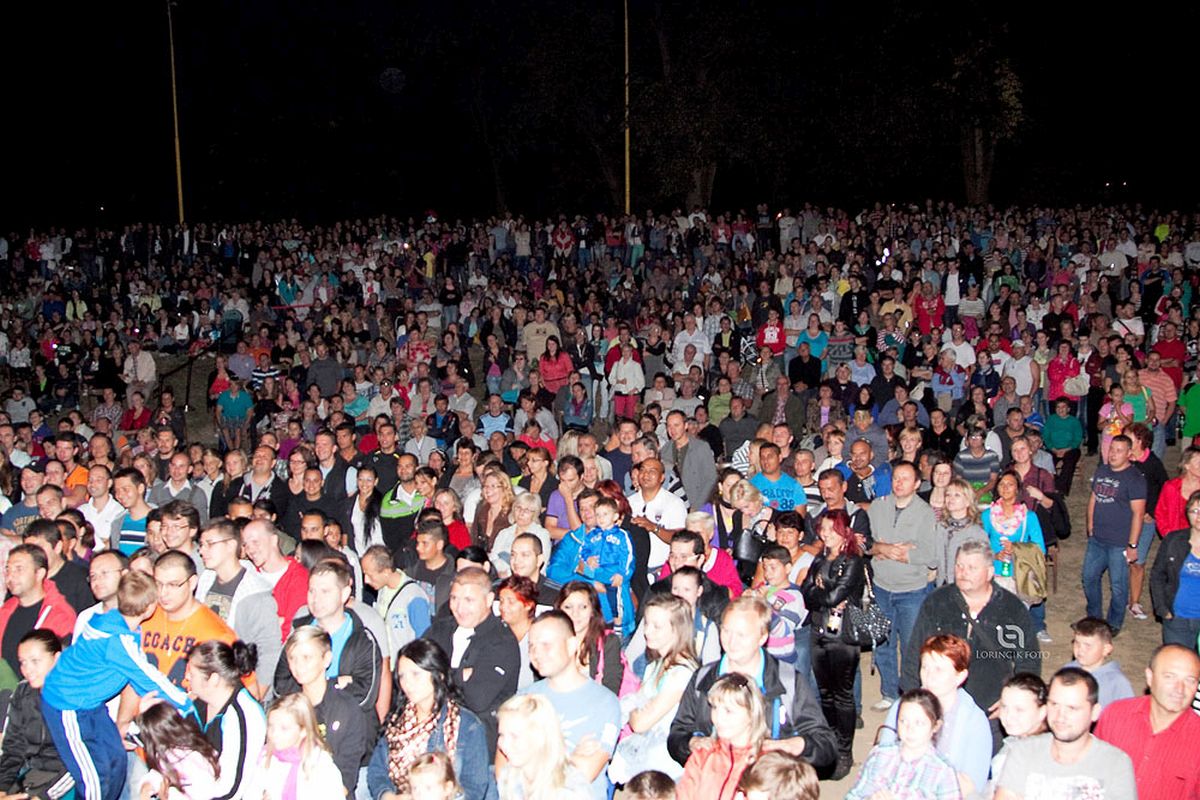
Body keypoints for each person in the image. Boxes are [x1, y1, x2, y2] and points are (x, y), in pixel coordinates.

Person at [41, 571, 196, 800]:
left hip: (89, 704)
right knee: (93, 778)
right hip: (67, 706)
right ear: (149, 608)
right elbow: (147, 676)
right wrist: (185, 703)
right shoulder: (116, 640)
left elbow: (136, 674)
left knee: (116, 758)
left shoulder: (114, 621)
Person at [668, 595, 838, 777]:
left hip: (769, 781)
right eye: (726, 631)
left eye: (741, 635)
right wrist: (691, 743)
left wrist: (789, 746)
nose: (731, 642)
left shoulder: (787, 681)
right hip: (715, 780)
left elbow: (825, 745)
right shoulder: (704, 679)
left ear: (763, 636)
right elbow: (677, 734)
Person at [903, 541, 1040, 717]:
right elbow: (915, 652)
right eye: (959, 566)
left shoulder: (1011, 608)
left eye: (972, 568)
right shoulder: (937, 602)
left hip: (990, 708)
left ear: (989, 572)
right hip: (939, 705)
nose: (963, 572)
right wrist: (914, 697)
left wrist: (1013, 700)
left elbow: (1029, 660)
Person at [367, 638, 491, 800]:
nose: (407, 683)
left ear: (439, 675)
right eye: (402, 676)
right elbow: (377, 771)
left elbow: (474, 789)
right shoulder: (397, 723)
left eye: (415, 674)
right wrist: (389, 796)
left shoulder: (467, 726)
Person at [518, 611, 621, 800]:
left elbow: (585, 772)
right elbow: (504, 768)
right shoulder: (524, 698)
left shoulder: (605, 703)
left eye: (546, 645)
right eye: (531, 646)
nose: (536, 653)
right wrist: (571, 759)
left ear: (571, 645)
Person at [994, 668, 1136, 800]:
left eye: (1072, 708)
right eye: (1054, 704)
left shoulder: (1115, 763)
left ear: (1094, 712)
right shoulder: (1022, 751)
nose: (1060, 716)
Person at [423, 567, 519, 756]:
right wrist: (462, 674)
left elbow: (477, 699)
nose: (459, 608)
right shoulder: (440, 630)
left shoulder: (502, 640)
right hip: (431, 737)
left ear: (489, 600)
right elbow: (412, 672)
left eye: (469, 600)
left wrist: (439, 676)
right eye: (454, 598)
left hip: (476, 745)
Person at [865, 461, 937, 711]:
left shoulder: (925, 513)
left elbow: (931, 555)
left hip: (912, 590)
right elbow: (864, 542)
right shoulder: (878, 506)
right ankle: (889, 691)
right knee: (883, 642)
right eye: (896, 477)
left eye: (906, 478)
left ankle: (909, 694)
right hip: (881, 586)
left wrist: (902, 554)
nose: (899, 483)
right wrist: (880, 548)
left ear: (917, 484)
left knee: (910, 646)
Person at [879, 634, 991, 795]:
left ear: (960, 676)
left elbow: (972, 785)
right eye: (925, 667)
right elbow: (882, 763)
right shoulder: (903, 706)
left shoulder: (974, 721)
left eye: (939, 669)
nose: (929, 676)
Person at [799, 509, 865, 778]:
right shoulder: (820, 557)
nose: (825, 534)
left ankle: (845, 751)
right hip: (818, 630)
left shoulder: (853, 561)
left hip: (842, 636)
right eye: (822, 528)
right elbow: (806, 594)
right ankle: (830, 744)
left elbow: (831, 596)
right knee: (825, 693)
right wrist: (820, 592)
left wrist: (818, 590)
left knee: (842, 694)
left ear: (844, 531)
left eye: (831, 529)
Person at [274, 558, 383, 718]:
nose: (316, 599)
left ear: (344, 594)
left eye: (325, 591)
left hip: (347, 728)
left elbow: (364, 697)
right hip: (305, 723)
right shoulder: (299, 633)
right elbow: (280, 687)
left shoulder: (362, 640)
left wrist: (314, 686)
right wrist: (337, 683)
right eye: (312, 591)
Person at [608, 593, 697, 784]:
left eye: (657, 626)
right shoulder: (655, 665)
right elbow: (634, 707)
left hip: (667, 769)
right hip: (647, 759)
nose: (648, 631)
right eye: (647, 623)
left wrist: (636, 709)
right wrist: (638, 708)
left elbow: (640, 723)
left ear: (677, 630)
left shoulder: (682, 674)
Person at [1095, 644, 1200, 800]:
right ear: (1150, 677)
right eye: (1169, 677)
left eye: (1190, 680)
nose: (1180, 689)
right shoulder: (1115, 715)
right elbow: (1092, 773)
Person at [193, 518, 282, 698]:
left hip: (240, 684)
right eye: (201, 545)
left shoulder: (255, 591)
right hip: (208, 680)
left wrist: (257, 693)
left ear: (231, 545)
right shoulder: (205, 580)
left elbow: (269, 649)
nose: (202, 551)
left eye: (210, 544)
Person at [280, 625, 373, 795]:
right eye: (292, 658)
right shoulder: (286, 708)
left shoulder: (347, 709)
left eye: (306, 657)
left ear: (326, 659)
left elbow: (345, 780)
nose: (298, 665)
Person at [183, 639, 267, 800]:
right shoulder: (198, 705)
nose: (186, 677)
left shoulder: (245, 715)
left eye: (192, 673)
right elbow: (176, 752)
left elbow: (231, 790)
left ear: (213, 679)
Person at [845, 689, 962, 800]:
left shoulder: (943, 772)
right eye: (903, 721)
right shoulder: (879, 755)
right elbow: (854, 795)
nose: (910, 729)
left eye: (919, 723)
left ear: (936, 726)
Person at [1084, 434, 1146, 633]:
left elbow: (1138, 513)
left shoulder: (1134, 478)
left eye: (1119, 451)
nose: (1113, 454)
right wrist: (1090, 525)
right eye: (1112, 449)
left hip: (1119, 542)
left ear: (1129, 454)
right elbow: (1094, 498)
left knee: (1118, 586)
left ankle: (1114, 623)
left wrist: (1133, 545)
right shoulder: (1102, 470)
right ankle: (1094, 618)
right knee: (1089, 578)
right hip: (1097, 538)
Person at [0, 630, 72, 800]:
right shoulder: (23, 692)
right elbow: (13, 748)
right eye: (23, 662)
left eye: (35, 661)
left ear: (56, 658)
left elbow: (79, 763)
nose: (27, 670)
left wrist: (41, 797)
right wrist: (1, 789)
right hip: (33, 773)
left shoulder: (73, 697)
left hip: (68, 780)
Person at [674, 673, 767, 800]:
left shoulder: (767, 762)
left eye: (728, 711)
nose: (718, 718)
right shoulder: (702, 756)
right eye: (715, 708)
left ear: (752, 713)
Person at [242, 693, 345, 800]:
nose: (274, 734)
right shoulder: (265, 757)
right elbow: (250, 792)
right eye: (271, 726)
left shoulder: (320, 765)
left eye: (284, 728)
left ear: (303, 730)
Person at [495, 693, 591, 800]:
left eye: (515, 736)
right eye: (501, 735)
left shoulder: (570, 789)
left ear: (539, 737)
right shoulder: (509, 776)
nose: (505, 744)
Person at [0, 544, 75, 674]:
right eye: (8, 570)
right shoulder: (6, 610)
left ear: (39, 573)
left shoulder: (61, 616)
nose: (10, 577)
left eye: (19, 569)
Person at [360, 544, 432, 665]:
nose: (366, 580)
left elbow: (424, 639)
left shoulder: (414, 596)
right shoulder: (382, 590)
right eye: (364, 574)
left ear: (386, 572)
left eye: (370, 575)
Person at [136, 702, 222, 800]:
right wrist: (147, 783)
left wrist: (167, 796)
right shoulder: (195, 743)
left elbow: (206, 791)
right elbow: (157, 774)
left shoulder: (180, 758)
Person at [987, 673, 1048, 798]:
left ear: (1042, 712)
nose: (1009, 716)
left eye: (1019, 710)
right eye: (1004, 707)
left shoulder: (1041, 755)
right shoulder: (1014, 742)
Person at [1062, 617, 1132, 708]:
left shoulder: (1117, 682)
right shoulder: (1068, 669)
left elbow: (1128, 712)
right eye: (1077, 643)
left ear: (1106, 649)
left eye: (1087, 646)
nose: (1080, 650)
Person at [935, 477, 989, 585]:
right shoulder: (941, 527)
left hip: (966, 585)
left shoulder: (976, 532)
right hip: (942, 584)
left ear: (968, 501)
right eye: (948, 495)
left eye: (957, 495)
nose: (951, 498)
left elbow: (985, 564)